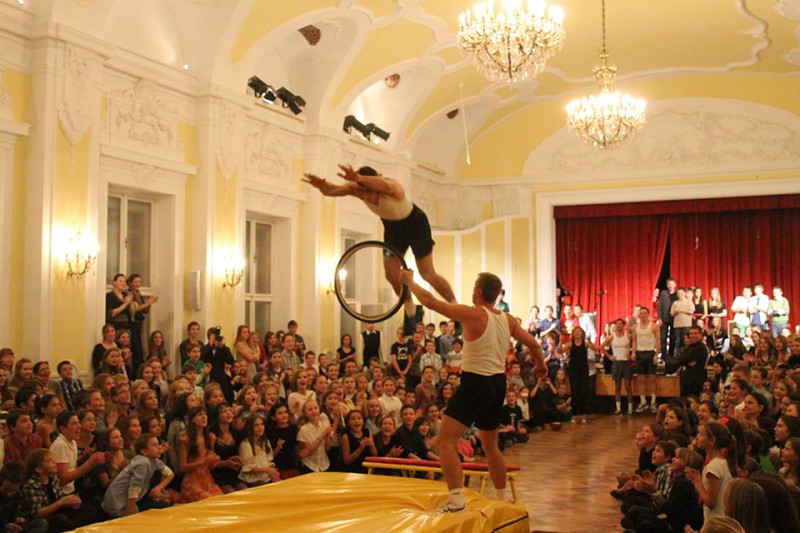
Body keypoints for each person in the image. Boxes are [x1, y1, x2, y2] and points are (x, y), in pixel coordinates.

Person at [398, 270, 546, 512]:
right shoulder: (508, 320)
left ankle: (456, 500)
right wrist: (541, 366)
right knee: (491, 446)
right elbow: (534, 345)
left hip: (475, 383)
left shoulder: (473, 314)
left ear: (478, 291)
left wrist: (410, 283)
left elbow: (431, 302)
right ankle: (501, 500)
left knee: (445, 441)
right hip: (497, 384)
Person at [304, 164, 456, 324]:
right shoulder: (358, 189)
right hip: (393, 229)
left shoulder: (392, 187)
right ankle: (411, 308)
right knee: (391, 275)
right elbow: (333, 190)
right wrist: (321, 185)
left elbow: (386, 186)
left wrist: (358, 177)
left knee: (427, 274)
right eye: (365, 193)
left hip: (416, 224)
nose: (368, 198)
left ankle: (454, 305)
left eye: (371, 193)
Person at [101, 433, 173, 517]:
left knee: (164, 504)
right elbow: (133, 491)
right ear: (144, 451)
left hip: (129, 501)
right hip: (117, 505)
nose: (159, 447)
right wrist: (129, 518)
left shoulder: (154, 461)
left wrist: (158, 488)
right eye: (154, 445)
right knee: (163, 507)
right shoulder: (143, 463)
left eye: (158, 444)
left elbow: (170, 474)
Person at [602, 318, 634, 415]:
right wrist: (609, 356)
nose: (619, 325)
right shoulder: (612, 337)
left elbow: (636, 343)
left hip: (626, 362)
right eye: (617, 324)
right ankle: (618, 408)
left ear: (623, 325)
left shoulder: (628, 336)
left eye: (621, 324)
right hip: (616, 363)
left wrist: (632, 353)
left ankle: (630, 408)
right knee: (617, 386)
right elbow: (601, 347)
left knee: (628, 386)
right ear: (615, 326)